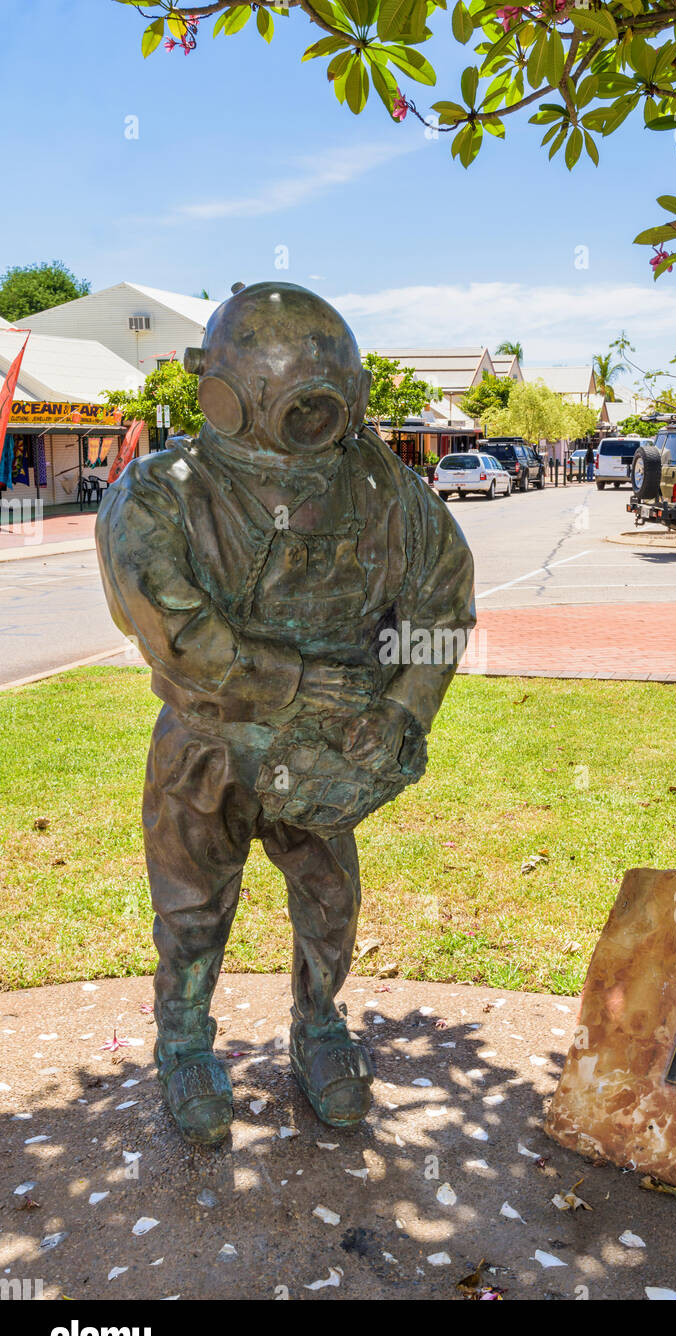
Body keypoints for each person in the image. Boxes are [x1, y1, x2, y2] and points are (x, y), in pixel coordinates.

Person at [96, 282, 475, 1146]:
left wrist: (403, 712)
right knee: (192, 906)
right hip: (208, 746)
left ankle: (319, 1025)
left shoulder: (379, 492)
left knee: (331, 898)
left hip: (326, 755)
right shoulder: (162, 490)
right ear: (223, 392)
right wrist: (295, 678)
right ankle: (185, 1043)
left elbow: (442, 603)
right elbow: (171, 624)